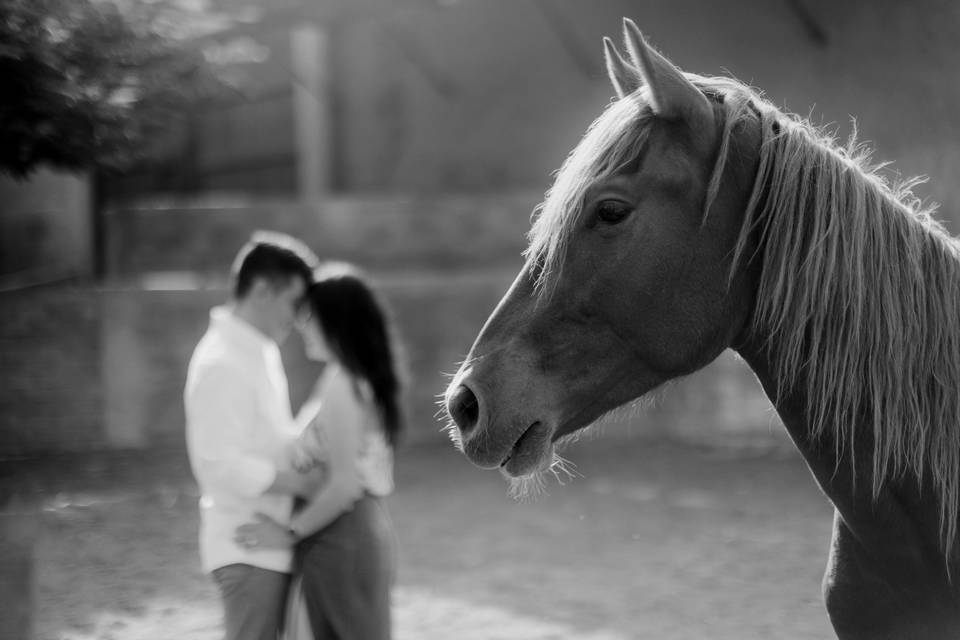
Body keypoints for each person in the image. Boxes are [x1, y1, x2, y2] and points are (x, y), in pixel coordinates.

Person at [235, 262, 404, 640]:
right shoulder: (351, 381)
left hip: (342, 536)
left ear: (335, 322)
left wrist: (288, 532)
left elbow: (344, 486)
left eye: (310, 315)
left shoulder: (343, 387)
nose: (301, 325)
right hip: (348, 533)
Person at [184, 231, 324, 640]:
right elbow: (216, 464)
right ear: (262, 289)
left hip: (270, 542)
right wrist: (299, 481)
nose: (299, 318)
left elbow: (266, 439)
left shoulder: (257, 350)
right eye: (294, 303)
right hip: (246, 544)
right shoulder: (222, 362)